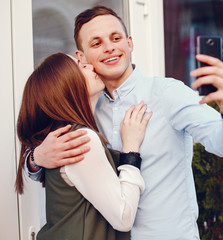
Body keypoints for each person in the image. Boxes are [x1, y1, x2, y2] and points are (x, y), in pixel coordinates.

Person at [26, 6, 223, 239]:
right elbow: (60, 172)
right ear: (80, 57)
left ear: (130, 43)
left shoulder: (168, 94)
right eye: (96, 43)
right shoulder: (85, 110)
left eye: (116, 38)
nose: (109, 47)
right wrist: (35, 159)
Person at [15, 52, 152, 240]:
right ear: (66, 85)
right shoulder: (80, 138)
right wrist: (131, 149)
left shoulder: (66, 134)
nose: (89, 65)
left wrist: (34, 158)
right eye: (80, 66)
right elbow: (123, 217)